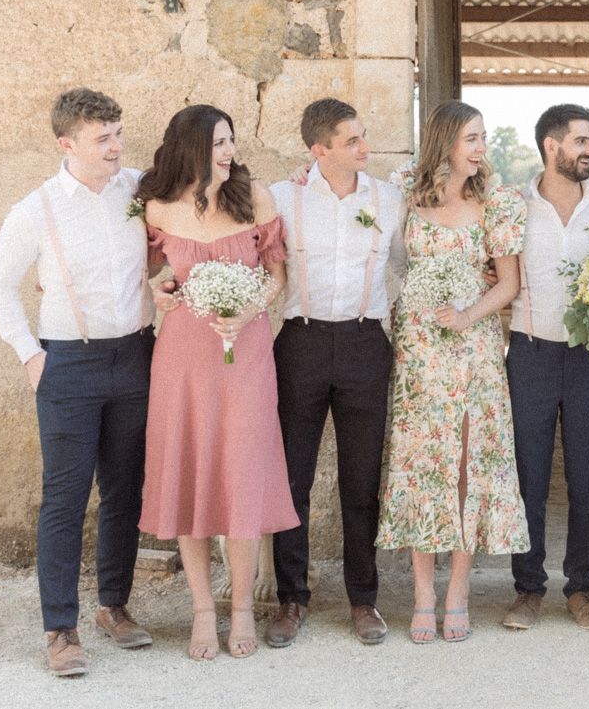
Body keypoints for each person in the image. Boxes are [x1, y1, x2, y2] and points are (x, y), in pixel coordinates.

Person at [0, 88, 157, 677]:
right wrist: (31, 356)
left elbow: (202, 195)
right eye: (102, 138)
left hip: (135, 355)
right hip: (67, 363)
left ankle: (114, 606)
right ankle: (60, 629)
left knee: (125, 490)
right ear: (67, 144)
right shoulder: (34, 209)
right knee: (64, 498)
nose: (116, 146)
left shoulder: (141, 188)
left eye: (118, 133)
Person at [138, 104, 294, 661]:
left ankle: (244, 608)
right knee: (192, 471)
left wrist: (250, 306)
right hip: (182, 356)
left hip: (246, 352)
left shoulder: (254, 200)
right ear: (191, 149)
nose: (229, 152)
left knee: (242, 473)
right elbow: (151, 275)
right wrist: (158, 290)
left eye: (231, 141)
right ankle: (203, 611)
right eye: (218, 144)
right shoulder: (155, 207)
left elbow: (277, 275)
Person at [376, 101, 528, 645]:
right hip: (419, 352)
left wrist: (466, 315)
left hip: (475, 351)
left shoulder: (498, 204)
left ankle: (458, 592)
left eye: (483, 137)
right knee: (423, 465)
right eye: (471, 138)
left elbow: (507, 284)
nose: (481, 147)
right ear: (445, 142)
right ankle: (422, 594)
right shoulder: (404, 195)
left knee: (466, 463)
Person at [264, 99, 406, 648]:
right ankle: (291, 599)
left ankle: (363, 599)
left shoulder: (388, 199)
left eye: (363, 137)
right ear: (318, 150)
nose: (365, 149)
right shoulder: (281, 197)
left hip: (366, 342)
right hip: (299, 340)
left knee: (361, 480)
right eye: (352, 141)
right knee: (292, 477)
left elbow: (405, 265)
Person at [502, 104, 589, 633]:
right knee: (527, 476)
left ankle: (581, 588)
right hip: (528, 353)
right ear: (551, 147)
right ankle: (528, 588)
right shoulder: (511, 205)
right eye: (581, 141)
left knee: (586, 476)